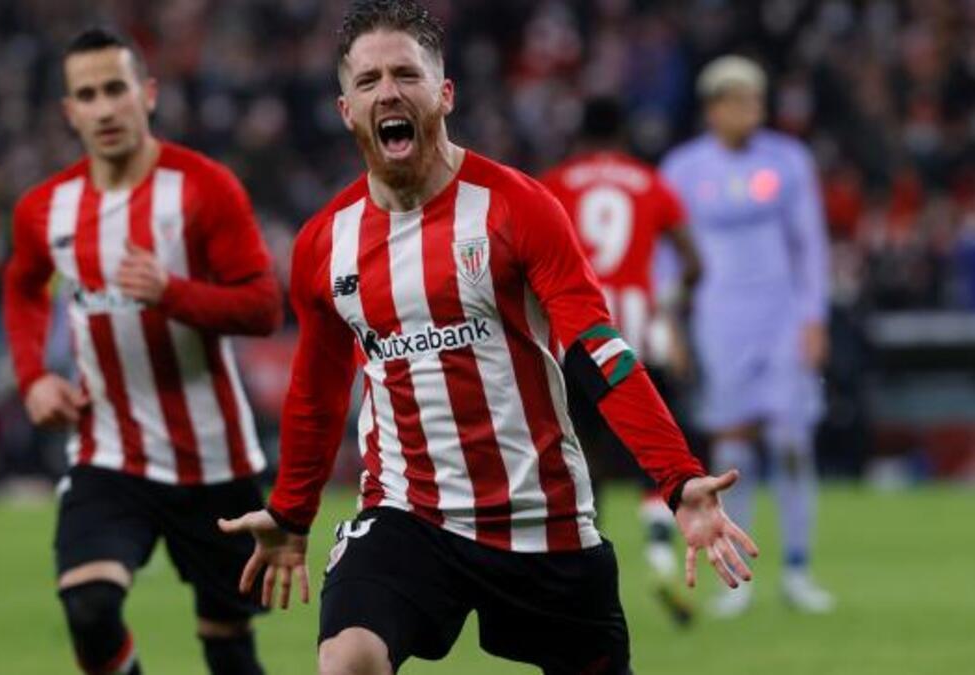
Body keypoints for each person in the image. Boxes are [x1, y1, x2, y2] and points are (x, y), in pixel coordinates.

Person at [217, 3, 757, 674]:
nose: (388, 90)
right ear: (346, 109)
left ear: (444, 94)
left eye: (406, 74)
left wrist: (679, 479)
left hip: (542, 517)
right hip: (407, 514)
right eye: (368, 80)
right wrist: (293, 512)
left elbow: (595, 346)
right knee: (348, 659)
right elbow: (317, 390)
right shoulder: (326, 242)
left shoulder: (518, 207)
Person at [3, 27, 281, 675]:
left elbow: (264, 306)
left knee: (228, 643)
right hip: (109, 450)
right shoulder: (47, 208)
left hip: (212, 457)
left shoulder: (204, 187)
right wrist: (33, 377)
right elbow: (20, 288)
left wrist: (172, 292)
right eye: (87, 96)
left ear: (146, 94)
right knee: (90, 608)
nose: (103, 109)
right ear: (70, 111)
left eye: (115, 90)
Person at [660, 55, 835, 617]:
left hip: (781, 316)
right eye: (740, 100)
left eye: (757, 100)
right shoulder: (683, 170)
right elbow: (665, 255)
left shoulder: (788, 161)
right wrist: (670, 322)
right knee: (733, 450)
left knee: (790, 443)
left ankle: (799, 569)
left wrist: (813, 317)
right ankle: (739, 578)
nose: (751, 111)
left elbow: (810, 245)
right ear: (714, 107)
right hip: (719, 320)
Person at [539, 97, 703, 627]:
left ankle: (581, 580)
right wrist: (670, 312)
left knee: (579, 463)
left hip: (576, 337)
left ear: (580, 136)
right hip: (639, 336)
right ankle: (660, 561)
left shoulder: (555, 183)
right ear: (624, 136)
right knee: (651, 459)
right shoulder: (650, 183)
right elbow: (695, 263)